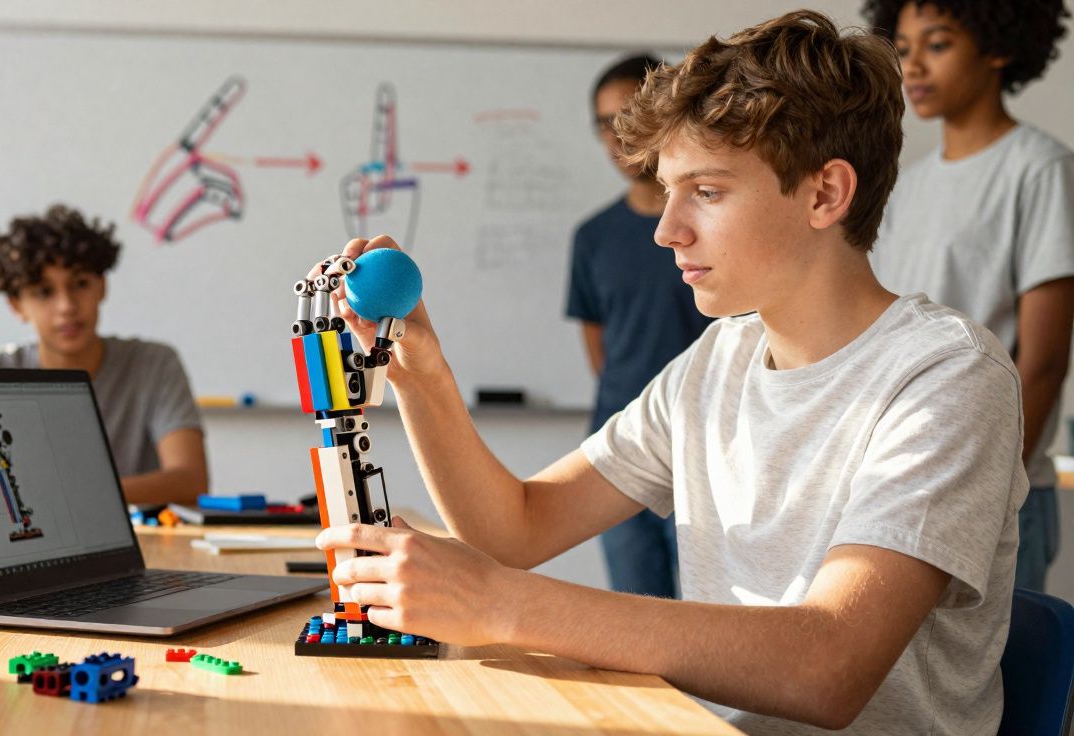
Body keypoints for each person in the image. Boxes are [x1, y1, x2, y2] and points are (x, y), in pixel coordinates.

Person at [316, 11, 1025, 733]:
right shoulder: (718, 362)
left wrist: (501, 603)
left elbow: (828, 665)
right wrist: (421, 373)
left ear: (825, 194)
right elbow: (517, 529)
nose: (666, 229)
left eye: (707, 192)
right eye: (667, 188)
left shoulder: (947, 377)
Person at [864, 0, 1074, 592]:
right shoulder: (908, 184)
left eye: (938, 44)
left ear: (998, 47)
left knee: (999, 679)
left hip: (997, 487)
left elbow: (1043, 360)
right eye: (902, 49)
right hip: (906, 481)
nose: (914, 67)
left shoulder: (1039, 169)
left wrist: (995, 490)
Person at [568, 54, 713, 598]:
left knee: (710, 613)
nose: (617, 134)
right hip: (618, 448)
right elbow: (598, 346)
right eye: (604, 123)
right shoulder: (594, 237)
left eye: (628, 114)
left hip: (707, 446)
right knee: (634, 609)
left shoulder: (715, 225)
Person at [0, 204, 208, 506]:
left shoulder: (154, 363)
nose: (67, 305)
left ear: (102, 287)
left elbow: (191, 480)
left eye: (80, 284)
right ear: (17, 305)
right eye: (44, 292)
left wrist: (69, 497)